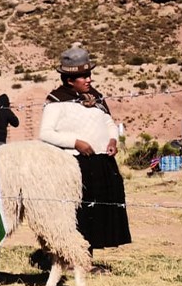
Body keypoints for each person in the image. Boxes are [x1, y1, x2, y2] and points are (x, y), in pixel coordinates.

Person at [38, 44, 131, 251]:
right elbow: (45, 133)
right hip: (75, 165)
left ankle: (88, 258)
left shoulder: (96, 98)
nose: (89, 79)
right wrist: (76, 143)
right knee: (79, 212)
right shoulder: (56, 101)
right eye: (83, 76)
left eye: (89, 75)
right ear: (70, 80)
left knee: (99, 212)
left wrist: (113, 141)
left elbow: (108, 123)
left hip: (101, 163)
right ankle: (76, 257)